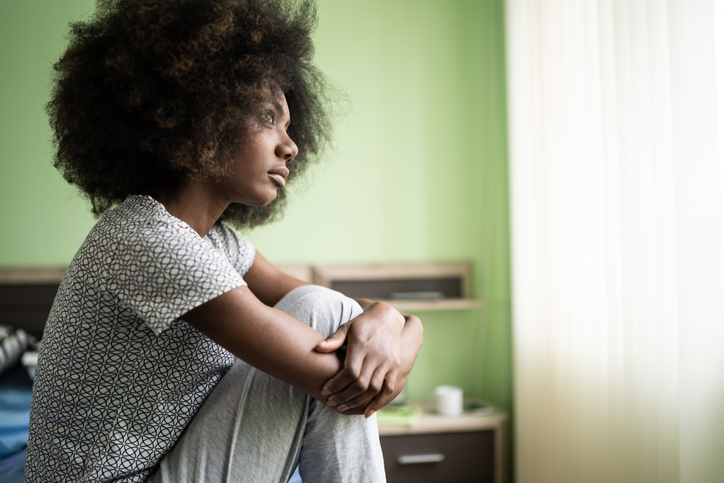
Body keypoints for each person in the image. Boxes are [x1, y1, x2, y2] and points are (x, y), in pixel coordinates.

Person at [24, 0, 424, 481]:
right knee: (327, 312)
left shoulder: (214, 243)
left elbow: (336, 318)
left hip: (169, 467)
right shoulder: (146, 238)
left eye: (290, 127)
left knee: (330, 310)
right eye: (267, 117)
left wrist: (398, 321)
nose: (290, 145)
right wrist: (394, 338)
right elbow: (343, 377)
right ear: (198, 115)